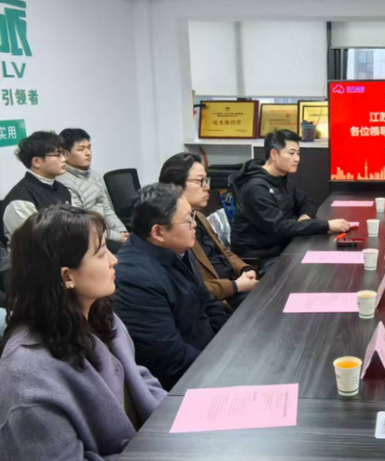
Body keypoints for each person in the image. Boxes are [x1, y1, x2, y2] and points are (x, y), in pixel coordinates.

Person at [0, 205, 166, 459]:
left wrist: (180, 416)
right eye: (101, 253)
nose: (114, 260)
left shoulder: (100, 314)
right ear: (67, 276)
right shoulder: (26, 375)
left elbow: (136, 377)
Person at [114, 184, 229, 390]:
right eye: (187, 220)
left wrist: (231, 345)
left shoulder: (175, 248)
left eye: (192, 216)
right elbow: (170, 358)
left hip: (210, 357)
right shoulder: (133, 279)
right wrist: (224, 366)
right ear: (158, 232)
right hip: (186, 383)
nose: (194, 224)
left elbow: (209, 304)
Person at [231, 129, 350, 274]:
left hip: (283, 247)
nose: (297, 159)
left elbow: (305, 201)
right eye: (291, 153)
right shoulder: (256, 188)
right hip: (259, 259)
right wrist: (327, 225)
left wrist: (305, 216)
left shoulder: (280, 179)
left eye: (298, 153)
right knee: (315, 272)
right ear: (274, 154)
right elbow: (280, 227)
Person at [159, 153, 257, 310]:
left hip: (236, 283)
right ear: (175, 187)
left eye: (207, 181)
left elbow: (224, 251)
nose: (207, 187)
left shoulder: (199, 216)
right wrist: (235, 285)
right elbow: (192, 288)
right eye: (200, 181)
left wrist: (245, 269)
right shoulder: (172, 230)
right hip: (219, 300)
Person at [56, 128, 129, 252]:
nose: (88, 153)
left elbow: (107, 209)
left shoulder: (95, 176)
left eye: (89, 148)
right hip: (87, 239)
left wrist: (122, 231)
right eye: (81, 149)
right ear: (66, 154)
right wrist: (117, 237)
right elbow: (81, 224)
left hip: (107, 234)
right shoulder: (63, 182)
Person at [1, 131, 71, 248]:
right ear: (37, 162)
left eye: (63, 153)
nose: (64, 159)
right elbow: (36, 244)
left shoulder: (61, 188)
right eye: (58, 155)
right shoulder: (20, 200)